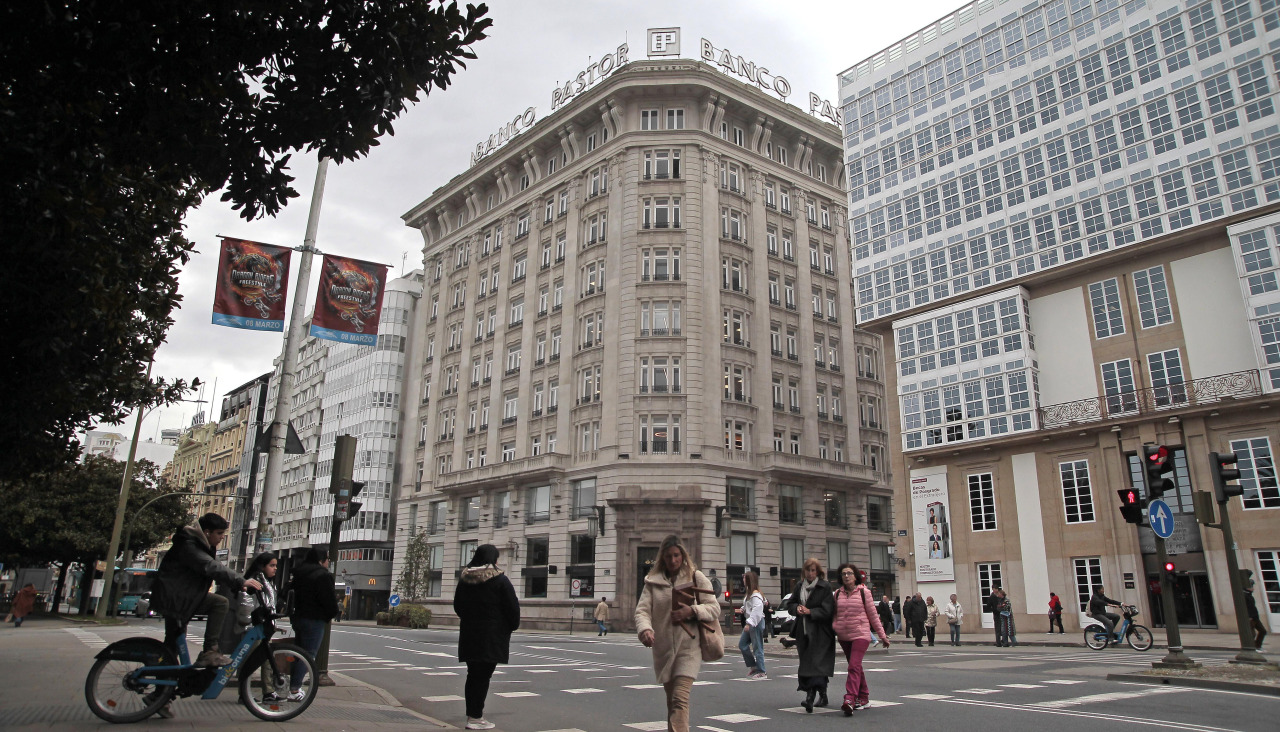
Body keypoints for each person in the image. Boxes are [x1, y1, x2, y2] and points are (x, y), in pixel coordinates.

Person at [151, 513, 261, 667]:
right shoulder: (189, 545)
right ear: (207, 532)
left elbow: (216, 567)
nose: (222, 537)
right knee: (220, 603)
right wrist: (241, 580)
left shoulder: (200, 544)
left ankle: (165, 684)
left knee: (173, 642)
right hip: (174, 598)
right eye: (219, 533)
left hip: (181, 596)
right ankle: (210, 651)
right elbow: (210, 566)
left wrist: (237, 583)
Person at [635, 535, 718, 732]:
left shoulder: (695, 577)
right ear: (662, 558)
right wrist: (645, 629)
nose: (673, 561)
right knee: (672, 703)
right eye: (668, 556)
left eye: (676, 555)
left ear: (683, 555)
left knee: (680, 699)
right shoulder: (652, 583)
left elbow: (714, 608)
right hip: (663, 650)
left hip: (688, 648)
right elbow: (642, 611)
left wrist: (693, 610)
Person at [453, 544, 520, 730]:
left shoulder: (465, 579)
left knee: (473, 675)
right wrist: (509, 626)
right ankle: (475, 717)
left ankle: (472, 715)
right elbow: (512, 608)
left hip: (469, 634)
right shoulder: (500, 580)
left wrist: (470, 619)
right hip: (492, 635)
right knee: (483, 676)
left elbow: (458, 606)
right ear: (493, 559)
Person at [831, 563, 889, 715]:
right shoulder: (837, 594)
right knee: (855, 666)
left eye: (849, 573)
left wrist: (882, 636)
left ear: (855, 576)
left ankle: (850, 698)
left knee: (853, 665)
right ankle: (863, 697)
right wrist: (834, 627)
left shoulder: (864, 592)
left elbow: (873, 616)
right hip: (844, 635)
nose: (846, 576)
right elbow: (833, 614)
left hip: (860, 634)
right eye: (843, 574)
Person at [785, 558, 836, 713]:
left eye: (813, 570)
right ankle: (823, 693)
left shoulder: (825, 587)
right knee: (807, 663)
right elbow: (790, 604)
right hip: (804, 631)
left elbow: (828, 610)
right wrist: (797, 609)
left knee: (816, 664)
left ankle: (810, 697)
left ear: (818, 572)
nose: (810, 573)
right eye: (808, 570)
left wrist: (811, 612)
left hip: (821, 633)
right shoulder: (799, 586)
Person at [288, 547, 339, 700]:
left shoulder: (299, 572)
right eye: (327, 559)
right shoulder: (322, 575)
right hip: (315, 618)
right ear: (320, 560)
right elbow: (329, 601)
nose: (328, 562)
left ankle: (292, 684)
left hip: (298, 617)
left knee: (299, 652)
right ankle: (295, 689)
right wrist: (330, 614)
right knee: (309, 654)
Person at [737, 571, 768, 679]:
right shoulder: (751, 594)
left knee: (757, 647)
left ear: (749, 580)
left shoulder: (755, 595)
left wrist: (749, 623)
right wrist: (743, 609)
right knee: (742, 644)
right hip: (752, 622)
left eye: (745, 578)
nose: (743, 580)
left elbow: (757, 609)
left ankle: (762, 671)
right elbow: (751, 606)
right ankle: (754, 667)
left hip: (756, 623)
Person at [1244, 579, 1267, 650]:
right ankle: (1252, 648)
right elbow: (1245, 608)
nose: (1252, 588)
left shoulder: (1249, 595)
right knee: (1252, 634)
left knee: (1263, 631)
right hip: (1250, 618)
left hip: (1255, 617)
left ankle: (1257, 646)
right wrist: (1249, 616)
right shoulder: (1244, 596)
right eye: (1251, 586)